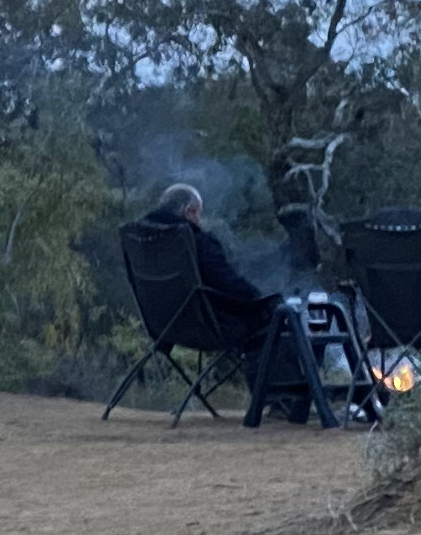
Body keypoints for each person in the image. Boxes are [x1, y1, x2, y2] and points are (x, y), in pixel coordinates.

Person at [139, 182, 331, 428]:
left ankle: (284, 400)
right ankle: (283, 402)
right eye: (199, 212)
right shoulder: (193, 240)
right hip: (211, 327)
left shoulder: (143, 238)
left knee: (269, 314)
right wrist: (261, 299)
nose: (200, 219)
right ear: (189, 212)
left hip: (165, 326)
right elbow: (229, 283)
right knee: (278, 314)